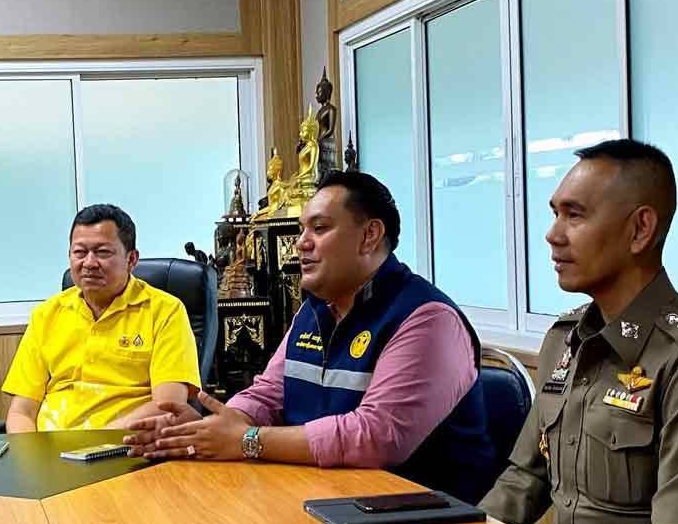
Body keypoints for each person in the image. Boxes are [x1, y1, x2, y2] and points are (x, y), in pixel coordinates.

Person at [125, 172, 497, 504]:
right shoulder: (314, 309)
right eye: (303, 230)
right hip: (324, 501)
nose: (301, 243)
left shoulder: (427, 319)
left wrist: (245, 440)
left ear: (370, 236)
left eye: (319, 229)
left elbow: (376, 437)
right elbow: (268, 394)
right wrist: (209, 428)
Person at [479, 139, 678, 524]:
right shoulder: (565, 339)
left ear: (640, 229)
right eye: (555, 213)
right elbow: (522, 481)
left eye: (574, 215)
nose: (553, 235)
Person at [2, 204, 201, 432]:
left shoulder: (165, 311)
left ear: (132, 259)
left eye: (102, 252)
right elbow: (22, 411)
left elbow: (168, 406)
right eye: (79, 252)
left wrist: (94, 443)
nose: (89, 263)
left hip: (125, 449)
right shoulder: (46, 314)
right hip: (49, 456)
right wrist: (27, 458)